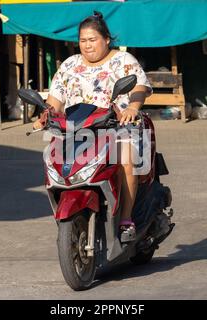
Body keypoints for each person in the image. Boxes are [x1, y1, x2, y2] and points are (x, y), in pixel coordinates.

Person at [33, 11, 152, 241]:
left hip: (117, 126)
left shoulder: (123, 61)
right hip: (77, 130)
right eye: (83, 40)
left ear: (106, 39)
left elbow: (139, 87)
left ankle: (126, 220)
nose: (87, 46)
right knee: (53, 160)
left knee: (125, 158)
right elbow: (55, 100)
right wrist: (45, 115)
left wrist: (132, 109)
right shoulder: (70, 65)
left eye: (93, 40)